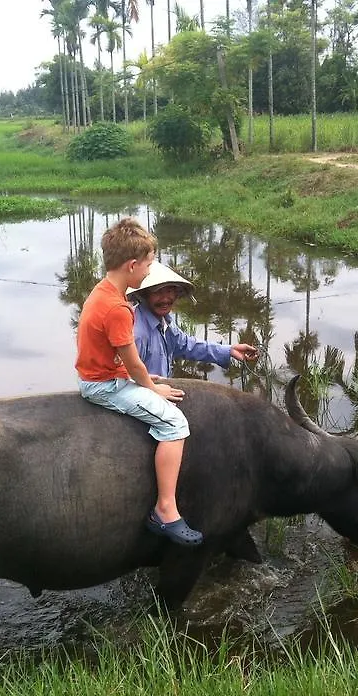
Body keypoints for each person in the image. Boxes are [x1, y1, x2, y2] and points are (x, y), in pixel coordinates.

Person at [75, 218, 203, 547]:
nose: (148, 272)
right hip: (104, 385)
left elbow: (120, 358)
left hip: (101, 374)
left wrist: (142, 377)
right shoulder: (118, 308)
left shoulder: (102, 292)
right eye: (147, 265)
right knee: (175, 425)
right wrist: (151, 386)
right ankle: (166, 509)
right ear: (132, 265)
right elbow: (133, 362)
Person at [127, 260, 259, 379]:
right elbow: (126, 379)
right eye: (158, 292)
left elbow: (186, 345)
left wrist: (230, 350)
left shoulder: (165, 322)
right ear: (144, 295)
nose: (165, 299)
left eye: (169, 291)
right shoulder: (137, 333)